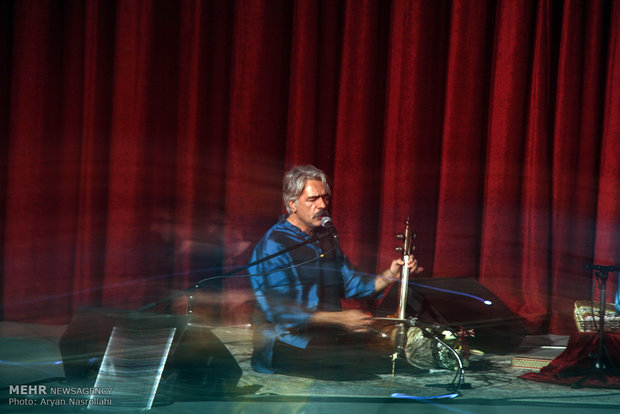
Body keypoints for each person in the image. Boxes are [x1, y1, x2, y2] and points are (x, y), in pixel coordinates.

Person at [248, 165, 422, 378]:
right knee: (365, 366)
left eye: (325, 198)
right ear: (292, 204)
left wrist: (392, 273)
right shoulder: (275, 244)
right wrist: (340, 319)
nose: (322, 205)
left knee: (394, 355)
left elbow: (350, 283)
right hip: (285, 342)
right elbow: (283, 313)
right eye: (312, 200)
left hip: (325, 335)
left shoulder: (324, 235)